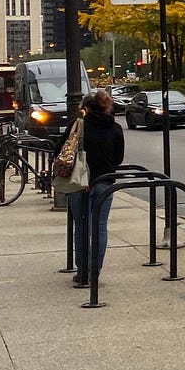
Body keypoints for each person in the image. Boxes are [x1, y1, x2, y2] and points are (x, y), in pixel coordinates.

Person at [69, 88, 125, 288]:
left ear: (85, 108)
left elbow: (61, 151)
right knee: (100, 227)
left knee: (81, 227)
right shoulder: (115, 128)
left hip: (79, 182)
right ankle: (95, 271)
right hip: (105, 182)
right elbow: (118, 158)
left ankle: (82, 272)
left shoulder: (78, 127)